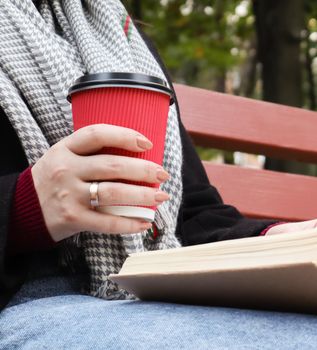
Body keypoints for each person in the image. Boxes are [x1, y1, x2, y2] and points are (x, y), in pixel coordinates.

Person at [1, 1, 317, 349]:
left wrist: (271, 238)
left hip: (147, 290)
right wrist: (23, 207)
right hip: (26, 300)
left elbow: (191, 211)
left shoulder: (121, 35)